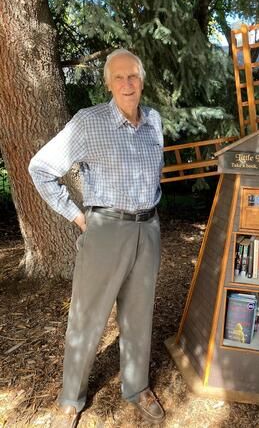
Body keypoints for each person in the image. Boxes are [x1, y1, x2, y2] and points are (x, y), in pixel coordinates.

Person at [28, 49, 165, 426]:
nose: (127, 83)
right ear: (108, 83)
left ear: (142, 80)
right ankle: (71, 398)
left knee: (139, 316)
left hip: (148, 229)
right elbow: (40, 168)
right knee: (87, 319)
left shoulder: (154, 121)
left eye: (133, 76)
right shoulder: (88, 122)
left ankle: (136, 387)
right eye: (119, 77)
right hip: (105, 230)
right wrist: (77, 216)